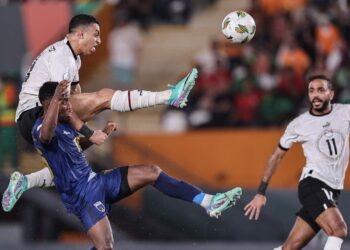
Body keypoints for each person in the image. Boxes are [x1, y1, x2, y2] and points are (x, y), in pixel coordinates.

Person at [2, 14, 198, 212]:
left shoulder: (72, 58)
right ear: (80, 34)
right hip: (34, 115)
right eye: (95, 34)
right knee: (105, 97)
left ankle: (25, 181)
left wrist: (87, 118)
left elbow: (75, 97)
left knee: (69, 162)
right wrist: (89, 132)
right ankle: (170, 96)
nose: (99, 40)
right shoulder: (61, 57)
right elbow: (57, 102)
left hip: (36, 118)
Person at [32, 81, 242, 249]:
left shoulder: (66, 121)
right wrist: (58, 103)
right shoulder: (41, 128)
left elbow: (74, 147)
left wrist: (101, 133)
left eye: (68, 101)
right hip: (82, 195)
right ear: (50, 106)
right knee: (105, 247)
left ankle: (208, 201)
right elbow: (46, 135)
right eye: (64, 102)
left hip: (96, 180)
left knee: (152, 172)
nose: (70, 106)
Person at [244, 75, 348, 250]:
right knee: (338, 230)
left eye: (321, 90)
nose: (315, 95)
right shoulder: (299, 124)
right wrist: (261, 191)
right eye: (311, 90)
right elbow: (276, 156)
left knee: (290, 247)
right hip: (313, 184)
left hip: (333, 189)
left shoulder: (345, 112)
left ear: (331, 94)